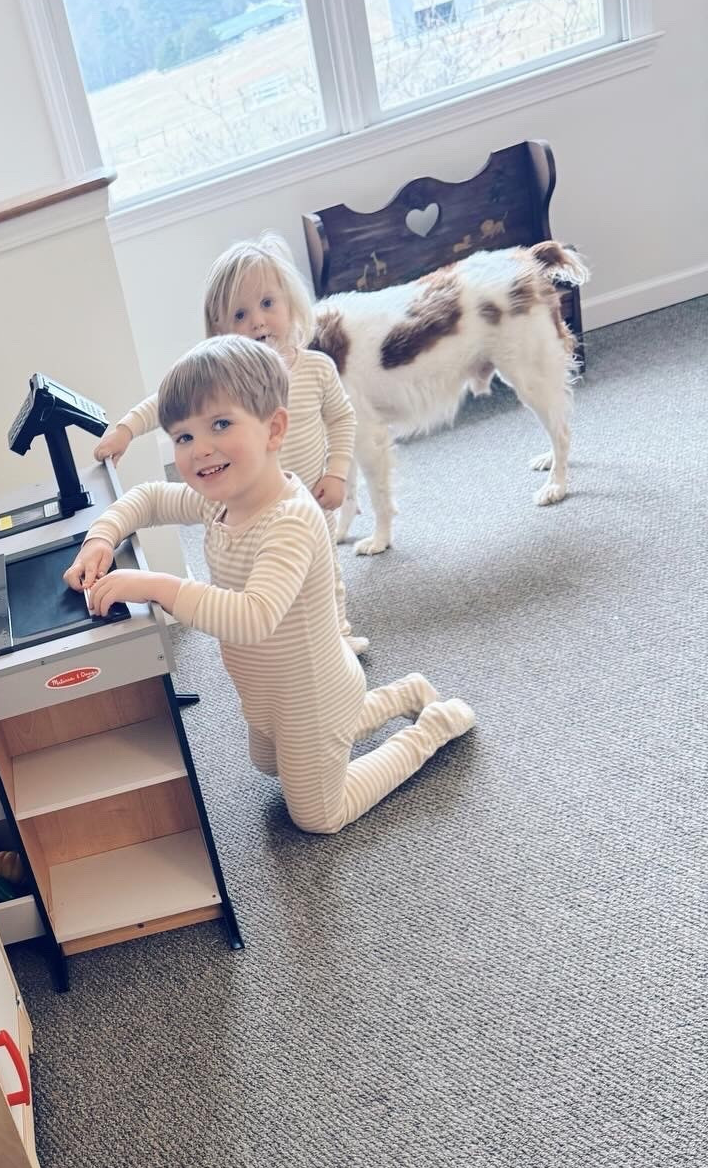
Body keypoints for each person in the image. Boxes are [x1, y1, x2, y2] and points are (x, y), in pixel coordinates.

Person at [64, 337, 474, 836]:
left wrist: (155, 586)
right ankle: (402, 694)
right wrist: (101, 538)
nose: (200, 450)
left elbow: (254, 617)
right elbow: (149, 498)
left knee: (318, 815)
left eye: (220, 425)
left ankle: (427, 732)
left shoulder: (290, 521)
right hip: (266, 691)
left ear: (274, 428)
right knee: (269, 767)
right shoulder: (221, 498)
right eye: (183, 437)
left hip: (312, 693)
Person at [94, 230, 365, 653]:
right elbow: (167, 402)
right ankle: (275, 642)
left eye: (267, 304)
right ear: (220, 330)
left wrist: (338, 472)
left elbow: (343, 419)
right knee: (263, 580)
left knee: (324, 573)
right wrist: (127, 428)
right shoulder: (224, 388)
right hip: (249, 503)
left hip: (310, 499)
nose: (257, 321)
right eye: (239, 315)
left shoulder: (316, 369)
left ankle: (338, 637)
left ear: (290, 303)